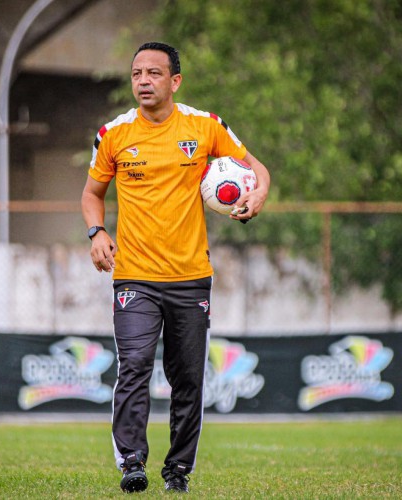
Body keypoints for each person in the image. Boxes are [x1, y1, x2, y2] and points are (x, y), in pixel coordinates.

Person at [81, 42, 270, 493]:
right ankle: (131, 461)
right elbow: (92, 194)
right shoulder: (114, 134)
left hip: (190, 278)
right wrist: (97, 232)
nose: (143, 81)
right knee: (135, 367)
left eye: (153, 73)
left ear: (175, 81)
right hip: (134, 277)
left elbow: (256, 170)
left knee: (187, 379)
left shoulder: (205, 127)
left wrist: (257, 195)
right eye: (136, 74)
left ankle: (178, 470)